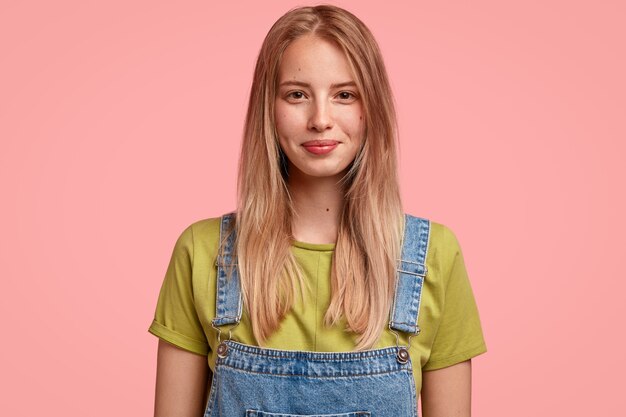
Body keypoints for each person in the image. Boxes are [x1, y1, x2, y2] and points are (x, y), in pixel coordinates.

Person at [148, 5, 486, 417]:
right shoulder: (204, 254)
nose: (320, 119)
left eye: (344, 95)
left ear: (371, 108)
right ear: (268, 110)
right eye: (297, 95)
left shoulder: (433, 257)